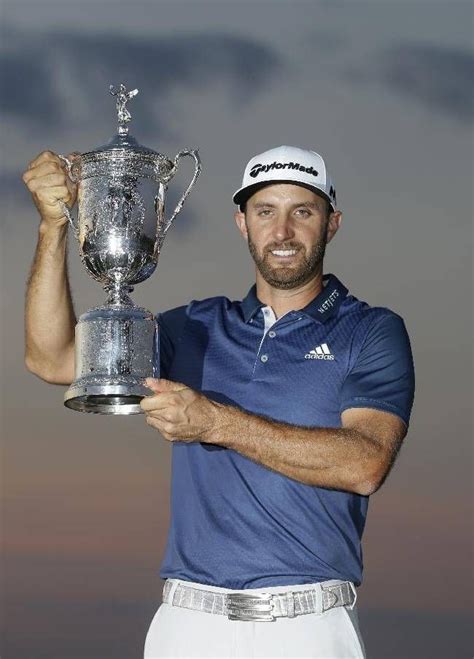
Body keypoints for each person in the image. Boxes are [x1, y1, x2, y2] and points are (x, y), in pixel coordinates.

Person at [23, 145, 415, 659]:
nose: (282, 232)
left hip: (309, 626)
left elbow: (365, 462)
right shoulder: (195, 326)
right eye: (265, 212)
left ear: (332, 223)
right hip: (188, 625)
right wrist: (53, 228)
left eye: (303, 211)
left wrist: (214, 421)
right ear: (241, 223)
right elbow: (52, 359)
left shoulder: (370, 330)